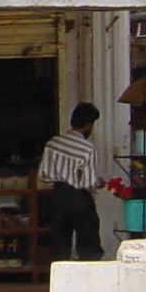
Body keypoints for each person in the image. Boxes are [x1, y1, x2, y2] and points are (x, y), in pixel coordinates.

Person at [39, 101, 105, 265]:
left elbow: (44, 175)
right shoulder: (87, 148)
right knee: (88, 243)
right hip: (79, 198)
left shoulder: (52, 144)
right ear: (89, 124)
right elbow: (89, 183)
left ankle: (61, 281)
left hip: (58, 196)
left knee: (60, 244)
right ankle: (88, 279)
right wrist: (99, 183)